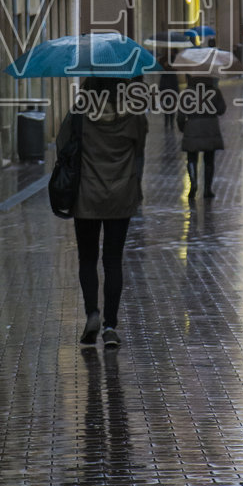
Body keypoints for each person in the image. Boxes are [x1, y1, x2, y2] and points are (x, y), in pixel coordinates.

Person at [56, 76, 147, 348]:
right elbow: (139, 149)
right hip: (121, 196)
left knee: (87, 258)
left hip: (86, 196)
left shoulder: (80, 112)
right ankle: (110, 326)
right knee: (113, 260)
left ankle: (92, 313)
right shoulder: (134, 112)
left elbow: (62, 147)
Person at [177, 75, 226, 200]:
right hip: (210, 127)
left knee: (192, 158)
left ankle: (193, 185)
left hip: (192, 127)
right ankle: (207, 189)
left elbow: (181, 115)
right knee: (209, 160)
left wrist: (183, 128)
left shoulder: (187, 92)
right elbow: (221, 110)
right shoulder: (214, 91)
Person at [157, 58, 180, 131]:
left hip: (167, 91)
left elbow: (162, 83)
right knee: (169, 107)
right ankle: (169, 121)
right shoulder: (170, 73)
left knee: (168, 107)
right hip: (168, 91)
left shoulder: (167, 73)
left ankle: (169, 122)